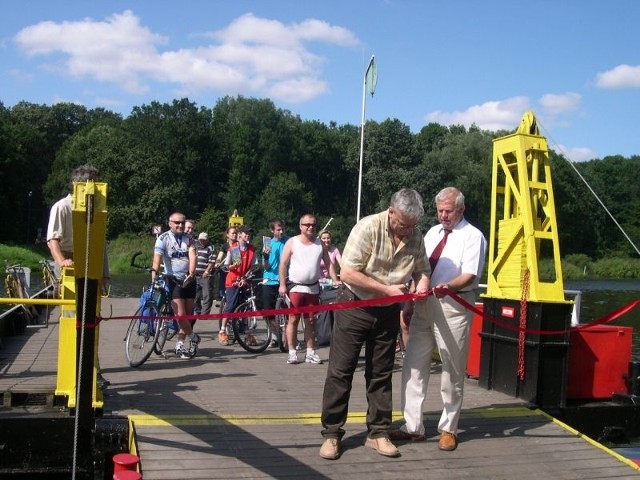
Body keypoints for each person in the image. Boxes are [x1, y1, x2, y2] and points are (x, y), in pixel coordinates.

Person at [319, 188, 430, 460]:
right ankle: (332, 433)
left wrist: (422, 286)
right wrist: (387, 290)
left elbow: (422, 270)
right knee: (340, 371)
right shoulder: (368, 226)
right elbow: (347, 272)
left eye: (413, 226)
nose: (408, 231)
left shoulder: (415, 234)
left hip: (387, 312)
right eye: (403, 224)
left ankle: (378, 432)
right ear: (391, 212)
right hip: (354, 305)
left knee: (381, 373)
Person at [390, 187, 487, 452]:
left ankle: (448, 428)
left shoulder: (473, 236)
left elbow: (469, 276)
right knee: (412, 366)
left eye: (449, 211)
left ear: (461, 209)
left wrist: (447, 287)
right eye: (440, 210)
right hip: (423, 304)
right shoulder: (431, 233)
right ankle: (412, 427)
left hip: (453, 305)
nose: (443, 215)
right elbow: (418, 267)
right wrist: (410, 302)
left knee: (452, 370)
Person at [279, 214, 336, 365]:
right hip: (295, 287)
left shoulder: (319, 244)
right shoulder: (292, 242)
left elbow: (329, 264)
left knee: (311, 320)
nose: (310, 227)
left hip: (313, 288)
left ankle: (310, 352)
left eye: (313, 225)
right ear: (300, 226)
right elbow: (283, 264)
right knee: (293, 319)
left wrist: (336, 280)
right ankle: (292, 352)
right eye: (307, 224)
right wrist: (282, 284)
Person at [46, 164, 110, 283]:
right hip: (67, 260)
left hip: (90, 261)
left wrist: (105, 273)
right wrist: (62, 262)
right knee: (66, 298)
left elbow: (100, 242)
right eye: (95, 184)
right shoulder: (62, 207)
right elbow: (52, 240)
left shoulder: (97, 209)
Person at [152, 212, 200, 359]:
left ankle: (179, 344)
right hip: (173, 280)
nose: (180, 225)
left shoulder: (189, 238)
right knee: (180, 316)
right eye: (177, 222)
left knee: (187, 316)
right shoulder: (163, 238)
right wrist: (153, 278)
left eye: (182, 222)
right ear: (170, 223)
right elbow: (157, 260)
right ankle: (193, 337)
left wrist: (191, 273)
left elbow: (192, 255)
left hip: (189, 281)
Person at [219, 225, 258, 346]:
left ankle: (247, 333)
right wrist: (234, 266)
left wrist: (246, 276)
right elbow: (226, 266)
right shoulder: (234, 249)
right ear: (240, 234)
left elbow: (254, 265)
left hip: (245, 280)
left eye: (249, 233)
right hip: (233, 280)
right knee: (230, 306)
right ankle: (222, 330)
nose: (247, 235)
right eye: (245, 233)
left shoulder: (252, 249)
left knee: (246, 307)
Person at [261, 219, 288, 347]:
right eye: (278, 229)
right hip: (269, 279)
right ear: (272, 230)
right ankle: (274, 336)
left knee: (287, 311)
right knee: (268, 311)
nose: (281, 231)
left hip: (284, 279)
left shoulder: (288, 241)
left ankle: (287, 337)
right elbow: (266, 267)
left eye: (282, 229)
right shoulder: (268, 243)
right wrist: (265, 258)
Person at [193, 232, 216, 321]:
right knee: (195, 296)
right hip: (195, 274)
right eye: (201, 240)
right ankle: (197, 311)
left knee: (207, 295)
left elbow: (212, 261)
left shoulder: (211, 248)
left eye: (204, 240)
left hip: (206, 275)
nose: (202, 241)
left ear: (207, 240)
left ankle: (204, 314)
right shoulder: (195, 246)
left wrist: (207, 271)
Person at [215, 226, 238, 301]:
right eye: (233, 233)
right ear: (228, 234)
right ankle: (222, 296)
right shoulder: (225, 246)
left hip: (235, 270)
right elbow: (219, 257)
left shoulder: (238, 245)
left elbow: (237, 261)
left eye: (235, 233)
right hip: (226, 270)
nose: (234, 235)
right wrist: (217, 262)